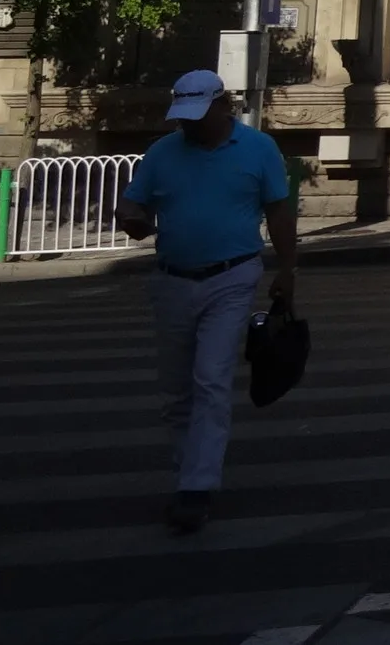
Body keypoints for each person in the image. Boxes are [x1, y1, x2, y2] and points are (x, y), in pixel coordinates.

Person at [115, 70, 297, 535]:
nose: (190, 126)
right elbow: (134, 205)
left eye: (199, 116)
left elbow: (278, 209)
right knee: (176, 391)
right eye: (185, 118)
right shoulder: (162, 153)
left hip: (232, 275)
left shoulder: (258, 149)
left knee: (211, 378)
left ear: (223, 106)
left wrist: (287, 270)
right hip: (172, 279)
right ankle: (188, 470)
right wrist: (131, 218)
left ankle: (196, 487)